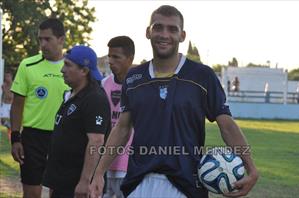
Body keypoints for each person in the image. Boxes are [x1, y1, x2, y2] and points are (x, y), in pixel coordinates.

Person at [90, 5, 258, 198]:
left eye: (172, 29)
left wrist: (250, 167)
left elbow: (226, 125)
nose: (164, 34)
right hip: (138, 183)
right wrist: (99, 173)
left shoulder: (202, 76)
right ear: (148, 32)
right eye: (158, 27)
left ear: (182, 35)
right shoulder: (134, 78)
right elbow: (122, 128)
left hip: (185, 185)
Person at [10, 18, 69, 198]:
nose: (42, 44)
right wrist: (15, 138)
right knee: (32, 192)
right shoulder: (27, 65)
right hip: (33, 138)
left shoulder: (74, 67)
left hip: (64, 137)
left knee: (59, 192)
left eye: (47, 39)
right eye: (40, 39)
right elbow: (17, 104)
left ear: (61, 39)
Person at [42, 45, 111, 197]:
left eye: (68, 65)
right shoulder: (72, 94)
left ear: (84, 71)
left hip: (77, 186)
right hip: (62, 183)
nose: (62, 70)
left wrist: (85, 182)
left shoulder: (95, 99)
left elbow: (96, 142)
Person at [102, 36, 135, 198]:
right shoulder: (104, 84)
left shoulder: (140, 86)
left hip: (130, 164)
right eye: (109, 56)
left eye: (116, 57)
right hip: (106, 162)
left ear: (130, 59)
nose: (110, 61)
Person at [0, 70, 14, 138]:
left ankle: (10, 134)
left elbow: (11, 96)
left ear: (11, 77)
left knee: (12, 120)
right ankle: (9, 129)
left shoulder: (14, 85)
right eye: (5, 76)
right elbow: (3, 94)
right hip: (5, 105)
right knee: (2, 120)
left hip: (11, 105)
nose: (6, 78)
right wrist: (1, 102)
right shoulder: (3, 85)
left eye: (8, 76)